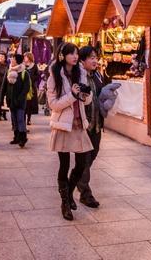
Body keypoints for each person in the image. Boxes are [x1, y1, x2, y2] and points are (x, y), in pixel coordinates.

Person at [47, 42, 93, 221]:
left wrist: (84, 95)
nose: (75, 56)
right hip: (63, 125)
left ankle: (70, 193)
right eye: (71, 54)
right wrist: (71, 96)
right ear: (62, 55)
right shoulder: (54, 75)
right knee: (64, 165)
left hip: (79, 123)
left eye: (76, 54)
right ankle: (65, 203)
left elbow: (86, 102)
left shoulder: (80, 72)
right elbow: (53, 105)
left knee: (81, 164)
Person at [76, 46, 105, 208]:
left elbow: (100, 96)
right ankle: (85, 193)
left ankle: (77, 178)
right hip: (83, 126)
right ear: (82, 60)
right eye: (91, 58)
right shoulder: (78, 77)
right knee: (85, 159)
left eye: (96, 57)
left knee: (92, 155)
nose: (95, 61)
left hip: (96, 125)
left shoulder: (97, 76)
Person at [1, 54, 31, 147]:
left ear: (17, 60)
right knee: (14, 120)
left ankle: (23, 138)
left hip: (20, 102)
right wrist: (2, 98)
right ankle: (16, 137)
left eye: (13, 59)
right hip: (11, 100)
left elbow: (26, 88)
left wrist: (19, 98)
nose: (11, 60)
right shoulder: (9, 70)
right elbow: (4, 86)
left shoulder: (24, 72)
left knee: (20, 119)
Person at [24, 52, 40, 126]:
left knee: (30, 104)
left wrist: (31, 79)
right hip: (24, 87)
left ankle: (29, 119)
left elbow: (37, 75)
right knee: (24, 104)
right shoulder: (23, 66)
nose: (24, 58)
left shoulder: (34, 66)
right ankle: (23, 118)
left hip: (32, 87)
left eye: (26, 57)